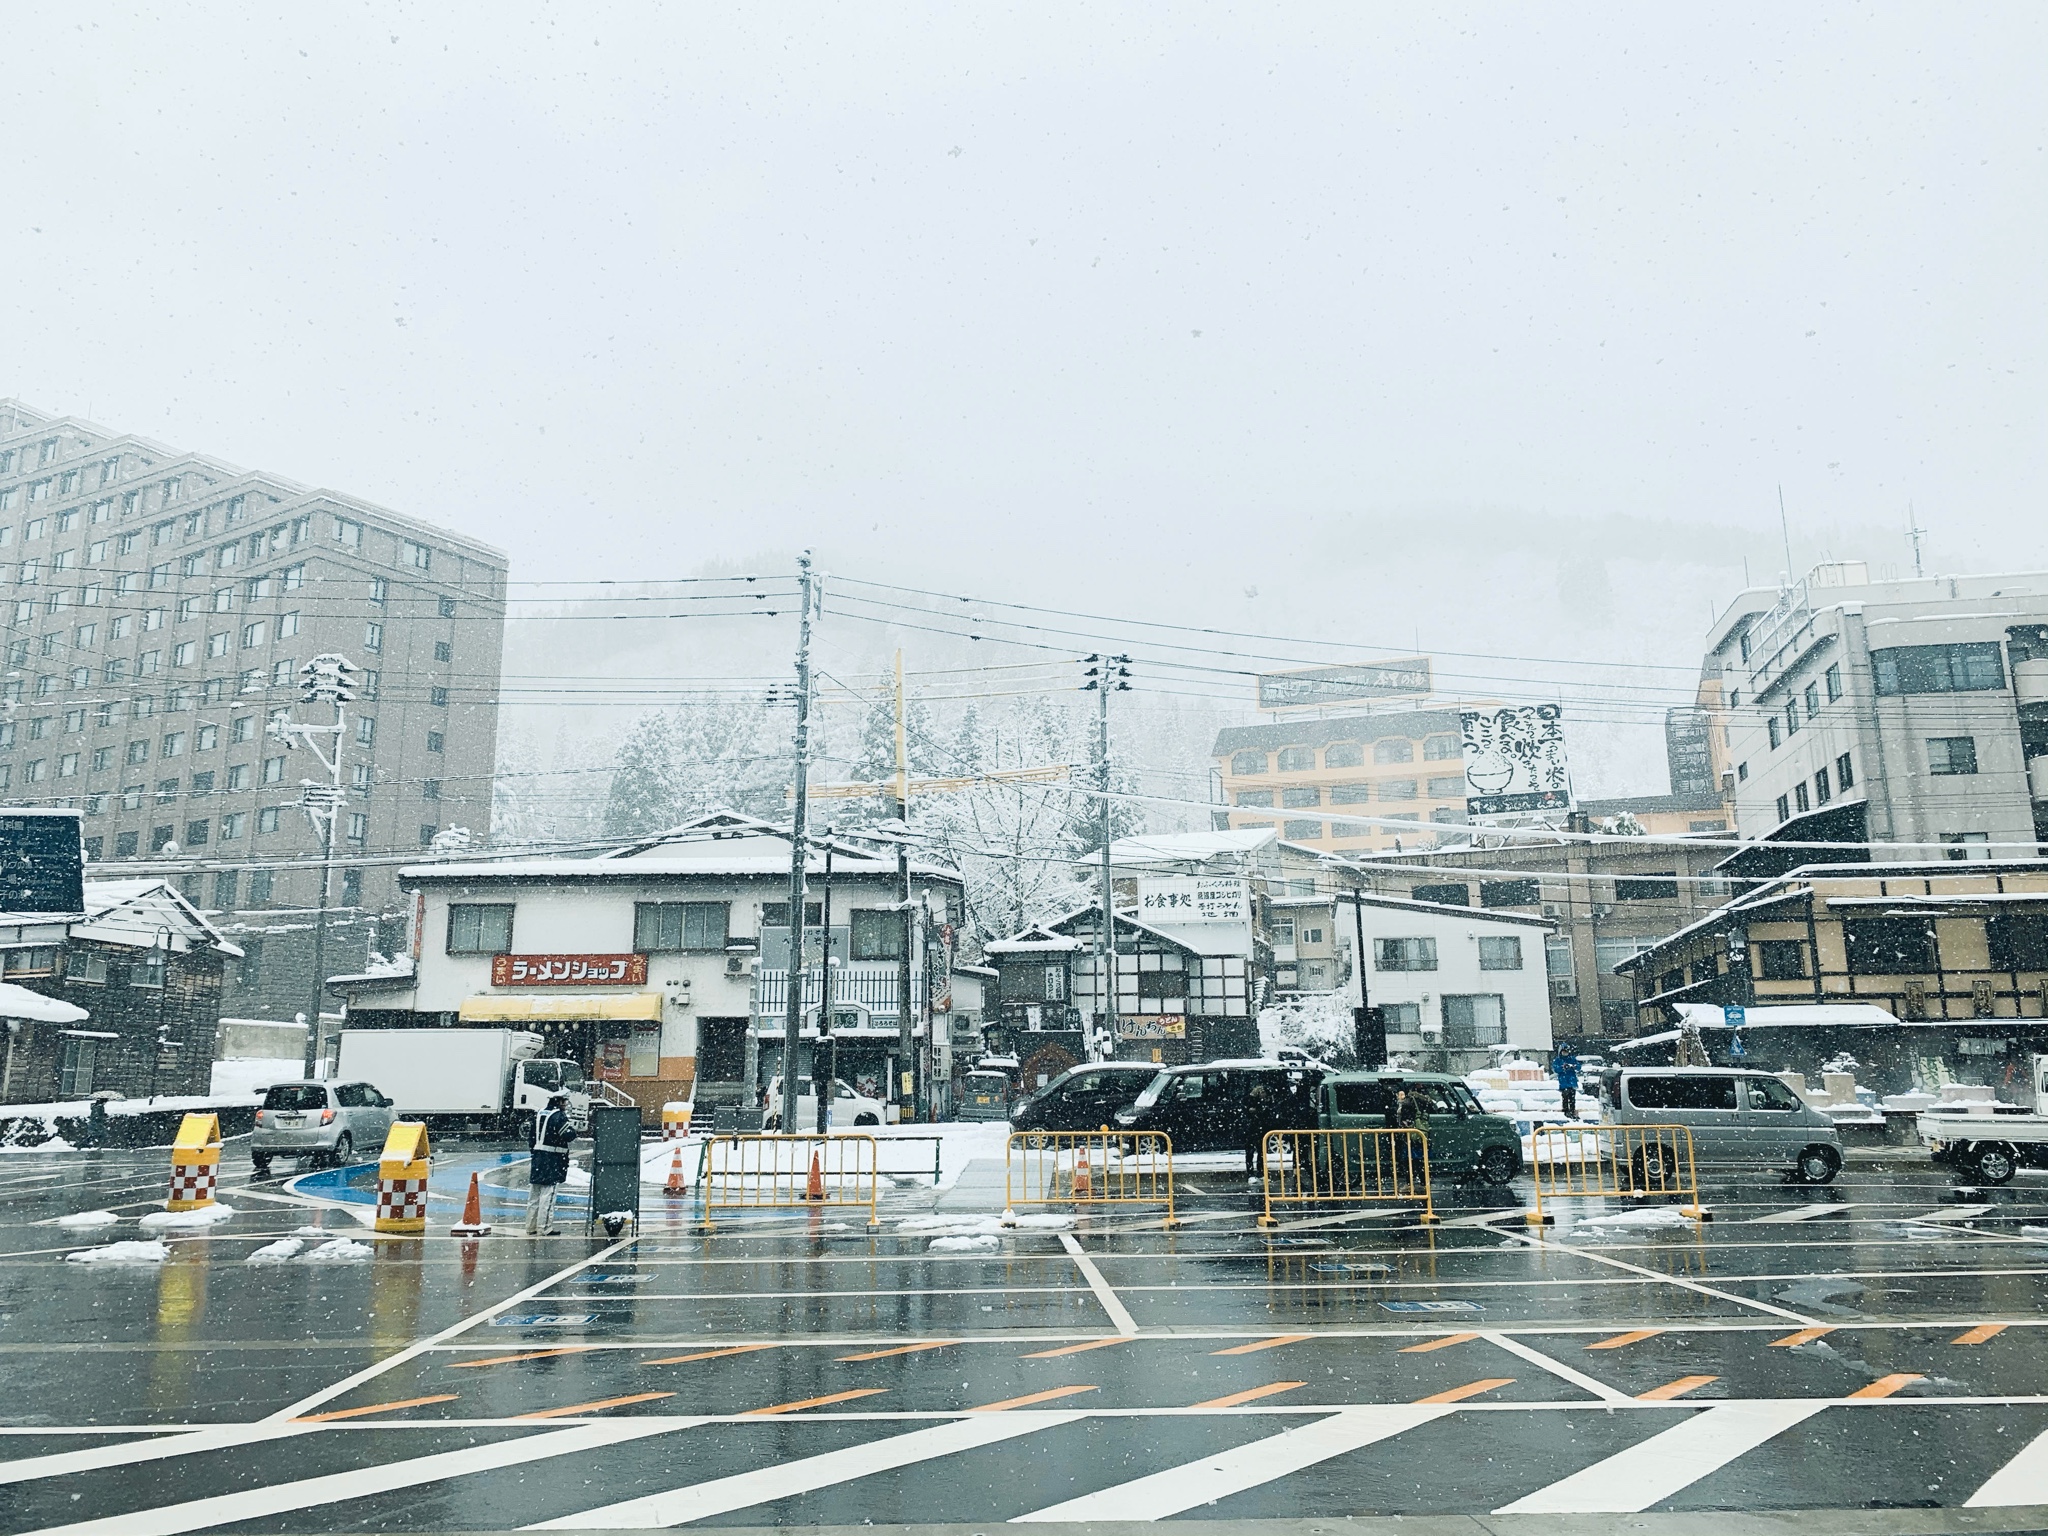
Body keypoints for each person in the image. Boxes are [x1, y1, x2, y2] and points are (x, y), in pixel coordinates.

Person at [526, 1092, 574, 1236]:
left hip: (538, 1157)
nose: (565, 1105)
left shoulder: (539, 1114)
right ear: (559, 1102)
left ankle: (531, 1226)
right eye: (564, 1102)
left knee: (534, 1194)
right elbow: (568, 1135)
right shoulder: (558, 1116)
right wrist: (573, 1129)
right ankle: (545, 1227)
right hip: (552, 1159)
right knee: (549, 1194)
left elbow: (531, 1137)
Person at [1554, 1045, 1581, 1118]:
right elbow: (1556, 1069)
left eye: (1566, 1052)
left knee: (1572, 1098)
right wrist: (1562, 1067)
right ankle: (1566, 1111)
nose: (1565, 1053)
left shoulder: (1572, 1059)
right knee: (1565, 1097)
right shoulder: (1558, 1060)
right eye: (1564, 1052)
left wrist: (1573, 1066)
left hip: (1571, 1082)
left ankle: (1572, 1111)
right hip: (1564, 1082)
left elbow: (1579, 1067)